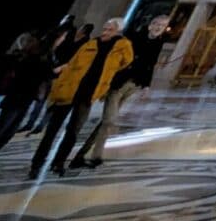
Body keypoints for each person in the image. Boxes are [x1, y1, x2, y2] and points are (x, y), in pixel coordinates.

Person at [30, 17, 132, 180]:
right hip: (70, 91)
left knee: (73, 131)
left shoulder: (123, 47)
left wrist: (104, 84)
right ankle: (37, 164)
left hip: (87, 95)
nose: (105, 32)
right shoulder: (90, 44)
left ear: (118, 31)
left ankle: (59, 162)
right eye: (105, 28)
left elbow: (125, 62)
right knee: (52, 131)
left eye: (110, 29)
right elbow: (72, 66)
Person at [70, 14, 167, 169]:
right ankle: (96, 156)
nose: (158, 27)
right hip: (118, 84)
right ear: (150, 24)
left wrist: (146, 86)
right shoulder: (134, 37)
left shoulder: (159, 42)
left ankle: (82, 155)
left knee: (106, 123)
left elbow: (150, 64)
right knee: (109, 120)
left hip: (133, 85)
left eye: (162, 26)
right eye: (156, 24)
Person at [0, 33, 53, 173]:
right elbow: (44, 74)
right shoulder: (28, 59)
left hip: (22, 102)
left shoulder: (31, 59)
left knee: (4, 136)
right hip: (15, 101)